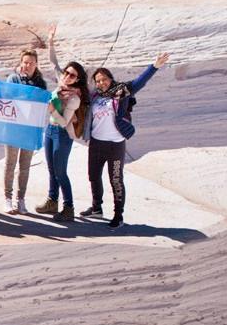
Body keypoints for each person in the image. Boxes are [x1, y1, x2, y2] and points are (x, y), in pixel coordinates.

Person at [82, 52, 171, 228]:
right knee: (93, 176)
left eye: (104, 79)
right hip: (96, 143)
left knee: (115, 179)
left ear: (110, 78)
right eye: (98, 81)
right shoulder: (94, 96)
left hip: (115, 144)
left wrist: (155, 66)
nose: (101, 83)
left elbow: (139, 82)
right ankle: (97, 208)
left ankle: (118, 215)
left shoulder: (121, 91)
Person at [41, 24, 89, 222]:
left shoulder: (74, 98)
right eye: (67, 73)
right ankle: (52, 201)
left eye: (72, 75)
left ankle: (68, 207)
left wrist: (52, 109)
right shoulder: (60, 86)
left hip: (61, 134)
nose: (67, 76)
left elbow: (64, 122)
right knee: (51, 168)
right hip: (49, 130)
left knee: (60, 171)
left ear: (78, 80)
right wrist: (51, 40)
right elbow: (53, 62)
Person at [2, 48, 47, 215]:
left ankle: (20, 200)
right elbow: (7, 98)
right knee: (10, 164)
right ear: (21, 63)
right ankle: (7, 199)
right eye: (25, 62)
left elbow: (40, 106)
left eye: (31, 63)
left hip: (29, 129)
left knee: (25, 166)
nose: (27, 65)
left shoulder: (41, 83)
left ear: (36, 64)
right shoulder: (13, 79)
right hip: (13, 128)